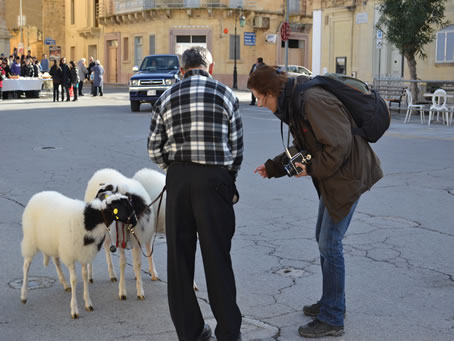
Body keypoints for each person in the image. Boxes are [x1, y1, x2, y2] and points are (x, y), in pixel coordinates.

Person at [248, 65, 383, 338]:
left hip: (348, 174)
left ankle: (333, 317)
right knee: (323, 240)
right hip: (335, 177)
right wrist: (274, 167)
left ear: (272, 92)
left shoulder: (310, 100)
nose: (259, 103)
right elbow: (305, 145)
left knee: (330, 243)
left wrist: (310, 169)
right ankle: (331, 303)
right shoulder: (295, 104)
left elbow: (338, 145)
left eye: (260, 98)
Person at [148, 46, 244, 341]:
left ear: (182, 69)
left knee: (179, 261)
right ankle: (228, 333)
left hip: (179, 180)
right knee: (218, 258)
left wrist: (175, 171)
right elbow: (237, 148)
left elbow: (153, 148)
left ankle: (191, 332)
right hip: (215, 181)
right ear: (210, 67)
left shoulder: (166, 97)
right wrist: (227, 179)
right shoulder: (226, 95)